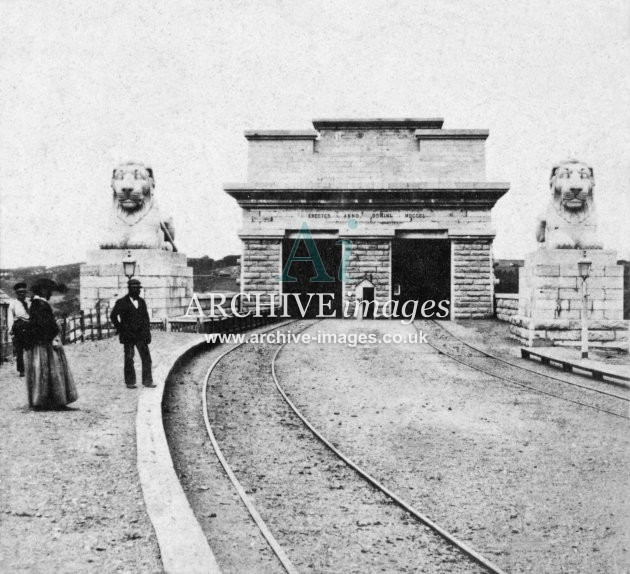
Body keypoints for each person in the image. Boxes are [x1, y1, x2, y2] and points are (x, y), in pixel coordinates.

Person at [24, 279, 78, 409]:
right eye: (49, 291)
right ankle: (50, 401)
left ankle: (47, 400)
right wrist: (55, 328)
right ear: (43, 290)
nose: (50, 294)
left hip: (42, 340)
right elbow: (44, 324)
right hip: (45, 342)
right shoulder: (40, 304)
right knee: (48, 370)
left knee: (45, 370)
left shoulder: (37, 303)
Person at [110, 278, 155, 389]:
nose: (138, 291)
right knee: (129, 358)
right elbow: (113, 316)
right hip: (128, 336)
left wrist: (147, 333)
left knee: (146, 358)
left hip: (141, 336)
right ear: (130, 289)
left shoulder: (142, 302)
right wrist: (120, 328)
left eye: (139, 289)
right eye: (135, 289)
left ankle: (147, 381)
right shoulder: (121, 302)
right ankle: (130, 382)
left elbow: (146, 319)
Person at [8, 282, 30, 376]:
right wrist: (10, 330)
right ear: (16, 293)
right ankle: (21, 370)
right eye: (19, 292)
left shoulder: (30, 302)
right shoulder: (13, 303)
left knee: (30, 348)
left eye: (23, 292)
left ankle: (32, 368)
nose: (22, 294)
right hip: (18, 327)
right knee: (19, 349)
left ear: (26, 292)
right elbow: (10, 318)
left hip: (29, 326)